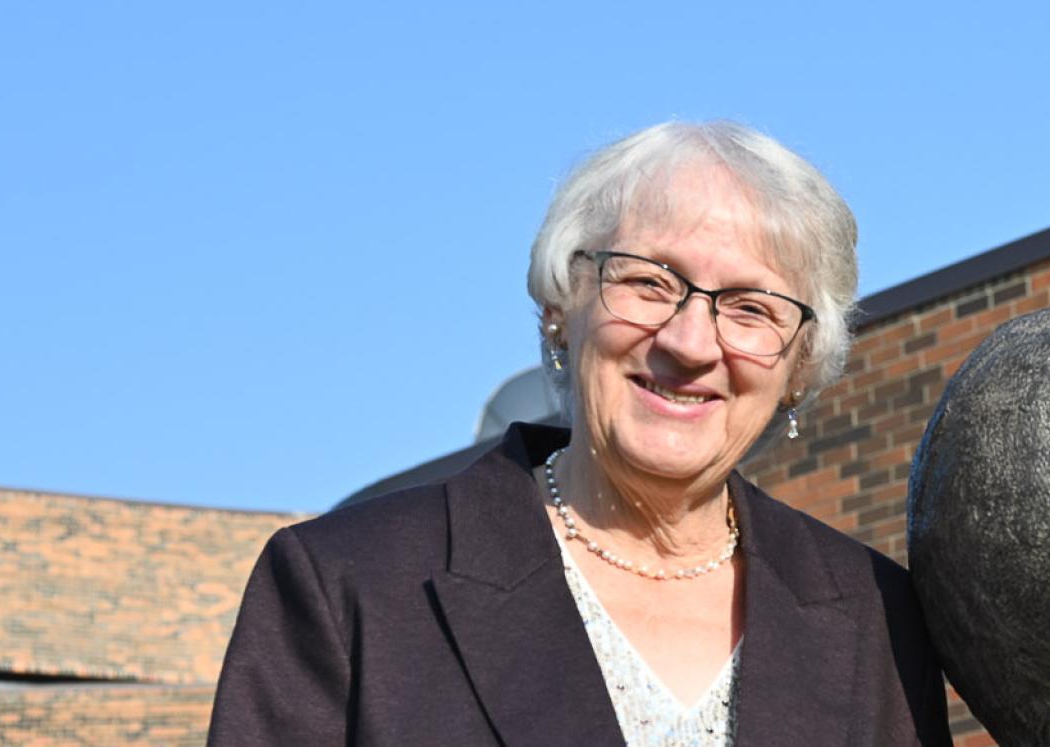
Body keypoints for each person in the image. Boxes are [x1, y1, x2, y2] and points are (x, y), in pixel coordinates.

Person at [209, 121, 950, 746]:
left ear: (799, 367)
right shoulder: (349, 586)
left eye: (752, 308)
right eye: (649, 281)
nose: (691, 342)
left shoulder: (877, 619)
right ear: (562, 306)